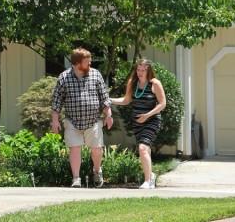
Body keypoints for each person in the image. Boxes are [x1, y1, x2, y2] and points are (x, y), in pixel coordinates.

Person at [51, 48, 113, 188]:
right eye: (87, 62)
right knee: (74, 148)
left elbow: (104, 97)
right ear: (77, 63)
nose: (90, 63)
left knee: (97, 149)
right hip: (72, 121)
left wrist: (108, 114)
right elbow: (56, 101)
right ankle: (76, 178)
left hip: (94, 120)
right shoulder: (64, 77)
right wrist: (55, 120)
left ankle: (97, 171)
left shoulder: (95, 75)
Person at [111, 59, 166, 189]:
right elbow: (126, 100)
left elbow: (163, 104)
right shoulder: (133, 83)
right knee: (145, 149)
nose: (140, 73)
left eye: (143, 70)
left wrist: (147, 115)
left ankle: (147, 181)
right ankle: (150, 176)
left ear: (149, 71)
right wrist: (109, 100)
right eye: (138, 70)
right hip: (137, 123)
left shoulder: (154, 83)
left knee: (142, 148)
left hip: (152, 120)